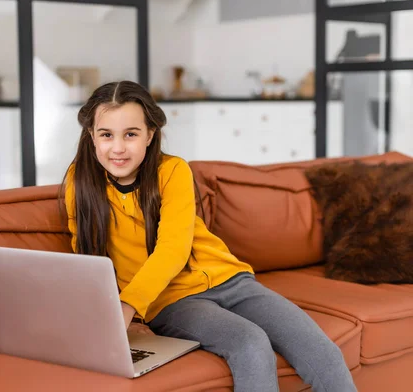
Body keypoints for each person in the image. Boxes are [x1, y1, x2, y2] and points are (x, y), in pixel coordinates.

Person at [62, 80, 357, 392]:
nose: (118, 147)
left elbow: (173, 248)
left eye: (131, 134)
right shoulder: (79, 183)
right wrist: (123, 313)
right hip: (172, 301)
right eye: (106, 135)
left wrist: (127, 306)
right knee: (251, 344)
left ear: (149, 134)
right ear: (91, 136)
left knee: (322, 350)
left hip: (232, 282)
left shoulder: (172, 171)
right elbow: (87, 260)